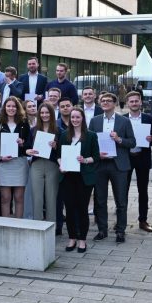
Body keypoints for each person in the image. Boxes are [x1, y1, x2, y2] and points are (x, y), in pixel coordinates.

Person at [88, 92, 135, 243]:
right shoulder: (94, 121)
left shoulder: (124, 121)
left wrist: (119, 139)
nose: (105, 102)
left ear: (115, 103)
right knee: (100, 199)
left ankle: (120, 230)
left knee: (120, 200)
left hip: (118, 164)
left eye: (109, 100)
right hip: (100, 164)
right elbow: (90, 143)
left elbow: (132, 142)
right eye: (103, 100)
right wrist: (96, 154)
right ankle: (102, 230)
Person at [58, 107, 99, 253]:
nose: (75, 120)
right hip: (67, 176)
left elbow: (96, 156)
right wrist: (61, 164)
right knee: (69, 209)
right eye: (72, 117)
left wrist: (85, 160)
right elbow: (58, 154)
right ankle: (72, 238)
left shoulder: (91, 136)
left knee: (82, 209)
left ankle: (82, 240)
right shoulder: (64, 135)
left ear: (82, 119)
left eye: (77, 117)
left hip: (84, 178)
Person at [0, 97, 32, 218]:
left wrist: (22, 143)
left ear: (18, 108)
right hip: (3, 164)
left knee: (19, 197)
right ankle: (5, 224)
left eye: (14, 106)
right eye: (8, 106)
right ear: (4, 108)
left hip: (19, 162)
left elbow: (29, 144)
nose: (11, 108)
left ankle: (18, 225)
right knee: (5, 197)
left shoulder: (24, 123)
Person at [124, 91, 152, 232]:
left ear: (141, 102)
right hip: (126, 158)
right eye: (131, 101)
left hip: (142, 157)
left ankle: (143, 220)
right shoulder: (122, 119)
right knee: (122, 191)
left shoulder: (149, 118)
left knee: (143, 190)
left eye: (136, 101)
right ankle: (121, 220)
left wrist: (151, 140)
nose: (134, 103)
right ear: (127, 104)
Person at [25, 103, 60, 222]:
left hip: (52, 165)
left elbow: (63, 150)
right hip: (36, 165)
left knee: (51, 197)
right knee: (37, 197)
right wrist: (28, 150)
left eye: (47, 112)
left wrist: (56, 146)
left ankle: (51, 226)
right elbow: (27, 147)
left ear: (51, 113)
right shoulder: (33, 130)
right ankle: (37, 225)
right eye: (42, 113)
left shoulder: (58, 130)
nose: (44, 115)